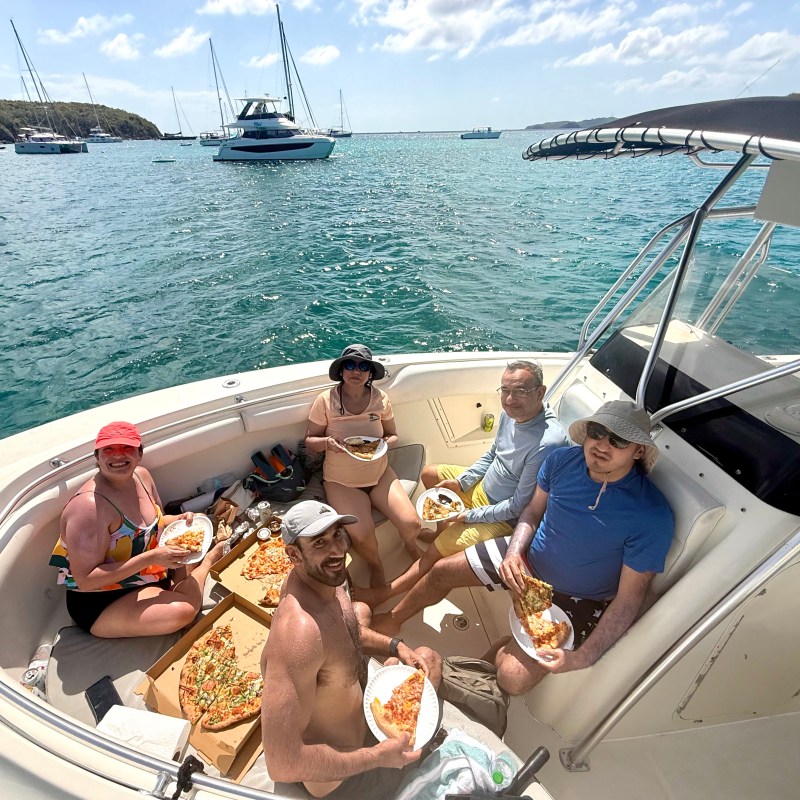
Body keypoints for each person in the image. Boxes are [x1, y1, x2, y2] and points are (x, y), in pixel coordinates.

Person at [372, 401, 673, 695]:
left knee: (511, 679)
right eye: (596, 432)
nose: (601, 445)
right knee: (442, 571)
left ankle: (504, 648)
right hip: (527, 557)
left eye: (618, 439)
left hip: (578, 599)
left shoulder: (651, 514)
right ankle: (394, 618)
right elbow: (531, 513)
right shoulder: (562, 462)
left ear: (639, 450)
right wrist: (515, 551)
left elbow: (627, 601)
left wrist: (581, 658)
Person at [260, 501, 442, 799]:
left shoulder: (329, 583)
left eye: (337, 535)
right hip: (342, 774)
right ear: (293, 554)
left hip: (368, 721)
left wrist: (395, 645)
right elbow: (282, 763)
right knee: (434, 669)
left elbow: (345, 633)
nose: (337, 551)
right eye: (319, 542)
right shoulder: (298, 633)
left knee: (425, 657)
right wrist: (378, 758)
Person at [356, 360, 569, 607]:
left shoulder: (547, 443)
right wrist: (461, 482)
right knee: (430, 474)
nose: (510, 400)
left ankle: (384, 592)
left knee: (436, 552)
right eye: (505, 391)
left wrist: (469, 516)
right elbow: (492, 455)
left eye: (520, 391)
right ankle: (442, 529)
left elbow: (519, 506)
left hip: (503, 515)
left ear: (540, 392)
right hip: (483, 488)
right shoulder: (510, 414)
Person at [49, 421, 226, 638]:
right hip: (102, 598)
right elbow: (86, 580)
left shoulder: (142, 476)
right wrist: (153, 558)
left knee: (187, 555)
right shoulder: (89, 507)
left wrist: (180, 519)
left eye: (126, 448)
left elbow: (156, 523)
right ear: (97, 456)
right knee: (184, 611)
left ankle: (176, 582)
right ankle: (208, 563)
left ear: (139, 453)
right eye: (109, 449)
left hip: (148, 573)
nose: (118, 456)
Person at [305, 344, 422, 589]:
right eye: (350, 365)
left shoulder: (381, 399)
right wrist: (328, 443)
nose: (356, 371)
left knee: (412, 523)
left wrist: (382, 445)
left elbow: (392, 435)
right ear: (341, 370)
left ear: (370, 373)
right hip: (342, 483)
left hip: (380, 475)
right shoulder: (326, 400)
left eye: (363, 366)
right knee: (362, 534)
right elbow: (310, 442)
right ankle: (376, 566)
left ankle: (411, 544)